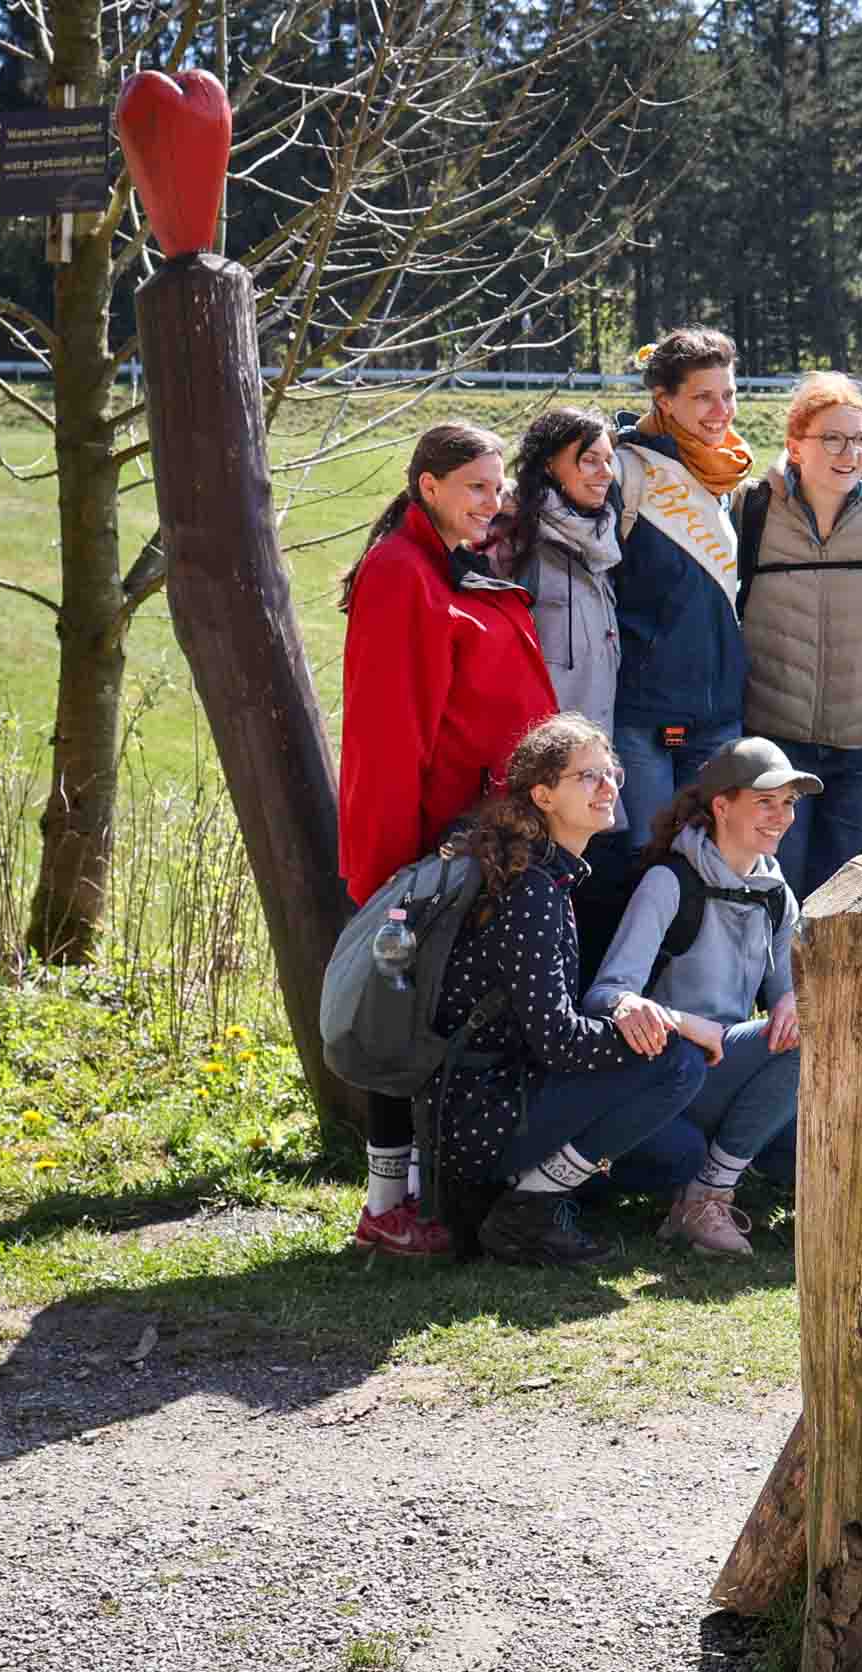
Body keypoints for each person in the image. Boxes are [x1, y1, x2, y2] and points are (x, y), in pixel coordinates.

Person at [338, 421, 556, 1258]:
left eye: (498, 488)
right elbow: (392, 735)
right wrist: (392, 872)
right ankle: (388, 1204)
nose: (492, 505)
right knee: (402, 1019)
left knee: (446, 1015)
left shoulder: (454, 564)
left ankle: (433, 1194)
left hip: (479, 841)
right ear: (426, 485)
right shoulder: (402, 572)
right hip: (427, 849)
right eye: (475, 488)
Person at [427, 713, 717, 1268]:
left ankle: (521, 1198)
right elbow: (557, 1042)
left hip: (492, 1100)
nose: (608, 787)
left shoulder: (547, 877)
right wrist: (668, 1026)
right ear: (542, 794)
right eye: (588, 777)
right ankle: (524, 1213)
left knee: (676, 1155)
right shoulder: (531, 890)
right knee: (678, 1063)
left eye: (611, 774)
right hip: (480, 1115)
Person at [584, 738, 814, 1256]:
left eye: (789, 804)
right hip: (669, 1074)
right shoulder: (669, 882)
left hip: (730, 1066)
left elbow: (787, 1012)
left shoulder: (778, 894)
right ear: (721, 805)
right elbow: (606, 995)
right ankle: (707, 1195)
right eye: (765, 802)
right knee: (801, 1045)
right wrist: (687, 1024)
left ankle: (716, 1179)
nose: (780, 817)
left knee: (808, 1050)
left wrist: (795, 1002)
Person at [732, 371, 862, 898]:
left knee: (852, 905)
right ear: (795, 446)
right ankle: (777, 987)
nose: (850, 453)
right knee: (775, 900)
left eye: (861, 440)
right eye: (833, 438)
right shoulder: (751, 510)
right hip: (776, 744)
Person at [611, 330, 753, 858]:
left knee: (715, 867)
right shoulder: (624, 471)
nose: (721, 411)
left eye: (729, 394)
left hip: (717, 711)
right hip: (642, 716)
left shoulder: (726, 478)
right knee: (647, 864)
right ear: (664, 400)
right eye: (703, 397)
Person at [501, 407, 623, 744]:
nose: (606, 473)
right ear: (549, 465)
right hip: (538, 764)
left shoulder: (602, 543)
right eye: (589, 460)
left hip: (594, 759)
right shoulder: (512, 542)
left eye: (608, 460)